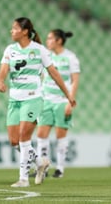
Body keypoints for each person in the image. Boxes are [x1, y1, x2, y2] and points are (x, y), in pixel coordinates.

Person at [0, 17, 76, 188]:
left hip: (33, 98)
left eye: (15, 28)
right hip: (15, 99)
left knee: (24, 136)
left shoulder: (39, 50)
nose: (11, 31)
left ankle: (23, 178)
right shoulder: (10, 50)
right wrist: (0, 81)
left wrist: (68, 95)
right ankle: (40, 162)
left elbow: (54, 73)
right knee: (13, 141)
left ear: (25, 31)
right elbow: (3, 69)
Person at [35, 29, 80, 179]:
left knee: (61, 136)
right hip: (46, 100)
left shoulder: (70, 58)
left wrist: (70, 101)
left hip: (62, 101)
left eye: (50, 39)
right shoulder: (46, 56)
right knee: (41, 135)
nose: (47, 41)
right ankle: (44, 166)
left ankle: (60, 168)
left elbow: (74, 81)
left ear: (59, 41)